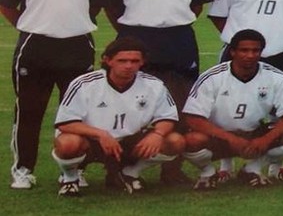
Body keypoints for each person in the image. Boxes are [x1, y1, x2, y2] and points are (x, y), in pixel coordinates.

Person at [103, 0, 213, 185]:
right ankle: (116, 168)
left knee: (179, 103)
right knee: (125, 103)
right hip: (136, 37)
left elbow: (197, 5)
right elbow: (111, 5)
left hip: (178, 40)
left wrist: (172, 20)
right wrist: (129, 32)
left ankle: (171, 169)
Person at [0, 0, 103, 190]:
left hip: (78, 46)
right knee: (29, 112)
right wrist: (31, 25)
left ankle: (73, 170)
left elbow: (95, 6)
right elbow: (7, 5)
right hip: (36, 47)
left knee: (78, 114)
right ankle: (23, 170)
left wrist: (75, 21)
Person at [52, 37, 185, 196]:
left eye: (134, 61)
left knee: (175, 141)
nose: (129, 66)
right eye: (122, 60)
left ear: (142, 62)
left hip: (131, 141)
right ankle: (69, 179)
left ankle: (130, 173)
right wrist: (101, 134)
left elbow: (168, 117)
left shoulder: (154, 85)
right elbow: (65, 123)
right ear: (108, 60)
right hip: (93, 142)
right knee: (68, 142)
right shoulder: (84, 84)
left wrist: (158, 134)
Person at [182, 30, 283, 189]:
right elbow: (192, 118)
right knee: (191, 140)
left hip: (256, 133)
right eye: (244, 50)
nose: (250, 55)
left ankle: (252, 168)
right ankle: (207, 172)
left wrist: (265, 139)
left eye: (255, 51)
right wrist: (230, 138)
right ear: (232, 52)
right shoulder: (212, 77)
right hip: (220, 135)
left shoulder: (276, 77)